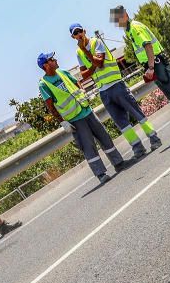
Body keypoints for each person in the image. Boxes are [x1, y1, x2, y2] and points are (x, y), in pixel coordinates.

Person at [70, 23, 161, 161]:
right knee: (121, 123)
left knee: (136, 112)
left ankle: (154, 138)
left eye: (80, 31)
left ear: (84, 30)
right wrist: (92, 62)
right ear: (73, 37)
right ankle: (137, 147)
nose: (79, 35)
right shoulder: (78, 53)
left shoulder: (96, 42)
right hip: (103, 91)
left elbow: (99, 63)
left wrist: (89, 55)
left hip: (116, 84)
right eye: (75, 33)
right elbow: (84, 75)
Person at [110, 5, 170, 133]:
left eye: (120, 17)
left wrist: (150, 67)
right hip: (152, 65)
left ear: (126, 15)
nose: (119, 21)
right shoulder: (129, 31)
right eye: (116, 20)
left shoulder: (135, 27)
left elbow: (148, 46)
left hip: (157, 63)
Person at [37, 52, 127, 185]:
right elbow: (51, 106)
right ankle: (100, 173)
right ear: (45, 65)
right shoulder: (44, 84)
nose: (55, 60)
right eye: (51, 59)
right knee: (88, 146)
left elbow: (76, 83)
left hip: (86, 110)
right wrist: (62, 122)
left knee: (104, 136)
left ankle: (118, 162)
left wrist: (82, 92)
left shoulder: (62, 72)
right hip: (74, 118)